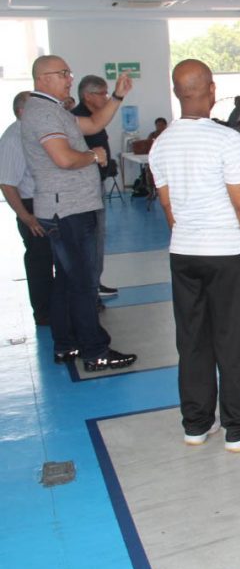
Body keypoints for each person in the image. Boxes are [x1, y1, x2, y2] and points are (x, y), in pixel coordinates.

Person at [150, 59, 240, 452]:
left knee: (192, 340)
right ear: (210, 89)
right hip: (226, 253)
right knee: (234, 340)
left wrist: (192, 236)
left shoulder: (162, 143)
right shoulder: (225, 139)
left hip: (184, 254)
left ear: (177, 93)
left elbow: (169, 209)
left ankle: (196, 423)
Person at [20, 55, 136, 371]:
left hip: (67, 207)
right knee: (84, 282)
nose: (70, 78)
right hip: (68, 210)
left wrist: (118, 95)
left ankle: (66, 344)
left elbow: (95, 123)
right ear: (43, 78)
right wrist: (93, 155)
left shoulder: (54, 110)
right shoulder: (43, 113)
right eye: (63, 74)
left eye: (69, 73)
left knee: (67, 281)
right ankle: (95, 350)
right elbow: (64, 158)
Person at [0, 91, 53, 326]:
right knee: (39, 261)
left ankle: (55, 306)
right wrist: (27, 217)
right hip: (30, 205)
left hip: (46, 202)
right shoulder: (14, 138)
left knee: (50, 259)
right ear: (22, 112)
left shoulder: (32, 133)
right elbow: (7, 183)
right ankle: (43, 313)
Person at [72, 75, 118, 300]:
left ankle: (95, 282)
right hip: (84, 189)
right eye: (102, 94)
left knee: (99, 237)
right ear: (88, 96)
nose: (106, 98)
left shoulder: (94, 117)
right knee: (91, 238)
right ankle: (90, 289)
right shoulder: (77, 119)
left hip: (96, 184)